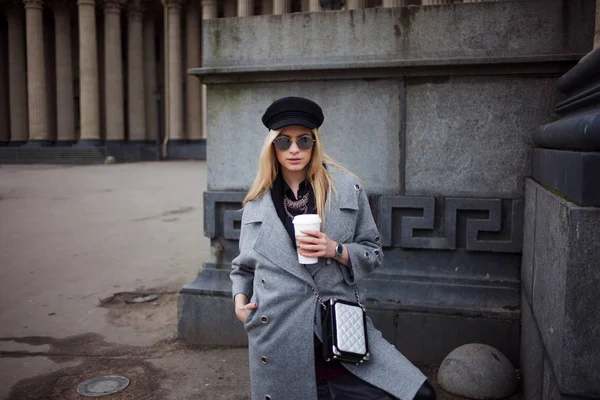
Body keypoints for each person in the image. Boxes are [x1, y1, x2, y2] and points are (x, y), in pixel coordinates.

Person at [230, 96, 436, 400]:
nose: (294, 150)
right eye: (284, 142)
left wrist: (336, 250)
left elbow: (373, 251)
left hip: (340, 326)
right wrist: (239, 301)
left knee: (420, 394)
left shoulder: (346, 189)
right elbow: (243, 267)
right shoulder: (256, 203)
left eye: (303, 140)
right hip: (278, 330)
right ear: (272, 146)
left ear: (315, 142)